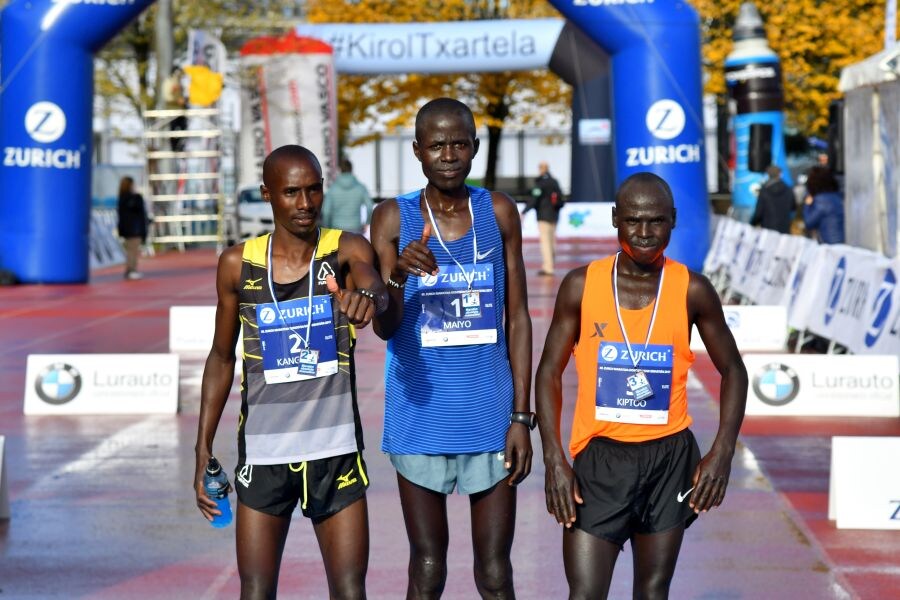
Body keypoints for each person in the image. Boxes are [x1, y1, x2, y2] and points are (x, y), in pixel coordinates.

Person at [535, 172, 748, 599]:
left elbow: (735, 371)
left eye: (656, 221)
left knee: (653, 591)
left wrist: (722, 452)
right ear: (616, 219)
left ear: (672, 219)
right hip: (600, 460)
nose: (645, 233)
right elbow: (547, 373)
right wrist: (554, 459)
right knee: (585, 593)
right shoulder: (580, 285)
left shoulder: (693, 289)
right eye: (633, 221)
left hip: (668, 458)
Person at [193, 145, 388, 600]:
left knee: (349, 591)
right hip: (264, 453)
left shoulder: (344, 249)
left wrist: (371, 297)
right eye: (292, 192)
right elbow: (221, 358)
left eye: (314, 189)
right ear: (267, 194)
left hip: (335, 451)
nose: (305, 203)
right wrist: (203, 447)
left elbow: (371, 280)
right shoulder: (237, 265)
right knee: (256, 592)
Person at [369, 98, 533, 598]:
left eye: (459, 143)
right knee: (426, 568)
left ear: (475, 148)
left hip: (489, 415)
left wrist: (521, 418)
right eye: (436, 144)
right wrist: (396, 275)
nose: (448, 154)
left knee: (496, 572)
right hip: (419, 418)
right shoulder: (391, 218)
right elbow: (383, 326)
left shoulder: (499, 211)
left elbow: (519, 317)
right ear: (417, 151)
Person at [522, 161, 565, 276]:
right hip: (554, 215)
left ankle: (548, 267)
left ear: (541, 169)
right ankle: (551, 264)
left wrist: (524, 211)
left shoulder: (540, 183)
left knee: (545, 242)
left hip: (543, 215)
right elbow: (561, 198)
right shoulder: (554, 182)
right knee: (552, 241)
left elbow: (534, 198)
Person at [322, 158, 374, 234]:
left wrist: (327, 227)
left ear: (340, 170)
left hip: (336, 229)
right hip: (356, 229)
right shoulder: (361, 188)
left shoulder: (332, 189)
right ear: (351, 169)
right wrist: (367, 222)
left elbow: (326, 211)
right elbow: (369, 207)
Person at [116, 176, 148, 280]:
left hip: (127, 229)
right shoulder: (133, 198)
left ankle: (130, 269)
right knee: (132, 251)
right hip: (134, 229)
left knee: (131, 250)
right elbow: (139, 213)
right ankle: (131, 270)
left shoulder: (122, 198)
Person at [803, 165, 844, 244]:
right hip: (841, 240)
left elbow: (809, 223)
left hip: (830, 244)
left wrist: (807, 205)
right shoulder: (837, 196)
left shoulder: (821, 201)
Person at [750, 165, 794, 234]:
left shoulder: (764, 191)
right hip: (784, 229)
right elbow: (793, 207)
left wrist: (752, 224)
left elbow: (758, 213)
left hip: (768, 230)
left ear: (768, 175)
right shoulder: (788, 190)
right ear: (780, 174)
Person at [162, 66, 187, 152]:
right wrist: (177, 101)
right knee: (173, 128)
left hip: (180, 110)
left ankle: (180, 146)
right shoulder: (169, 82)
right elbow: (167, 97)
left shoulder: (179, 82)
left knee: (183, 127)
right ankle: (174, 147)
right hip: (172, 109)